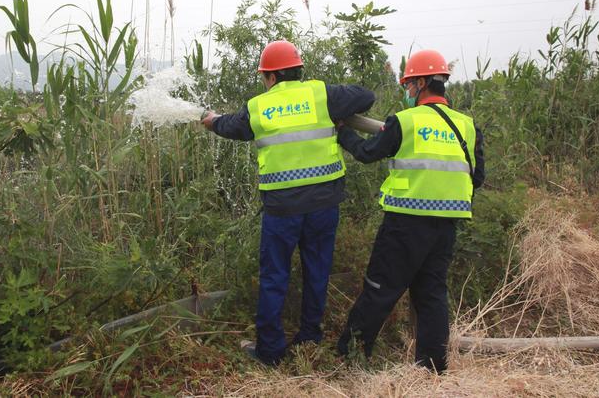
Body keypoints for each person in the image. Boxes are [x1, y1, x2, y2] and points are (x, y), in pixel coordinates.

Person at [201, 40, 375, 365]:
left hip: (282, 207)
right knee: (317, 271)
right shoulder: (322, 94)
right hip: (324, 203)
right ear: (298, 70)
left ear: (269, 76)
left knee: (274, 276)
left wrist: (211, 121)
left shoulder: (259, 106)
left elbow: (229, 126)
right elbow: (366, 96)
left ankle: (270, 351)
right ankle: (310, 338)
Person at [335, 49, 485, 373]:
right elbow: (479, 176)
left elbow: (365, 152)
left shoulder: (404, 121)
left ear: (419, 83)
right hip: (446, 226)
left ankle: (350, 359)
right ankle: (432, 368)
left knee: (380, 289)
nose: (407, 90)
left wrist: (343, 132)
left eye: (408, 84)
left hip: (405, 224)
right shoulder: (466, 126)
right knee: (431, 295)